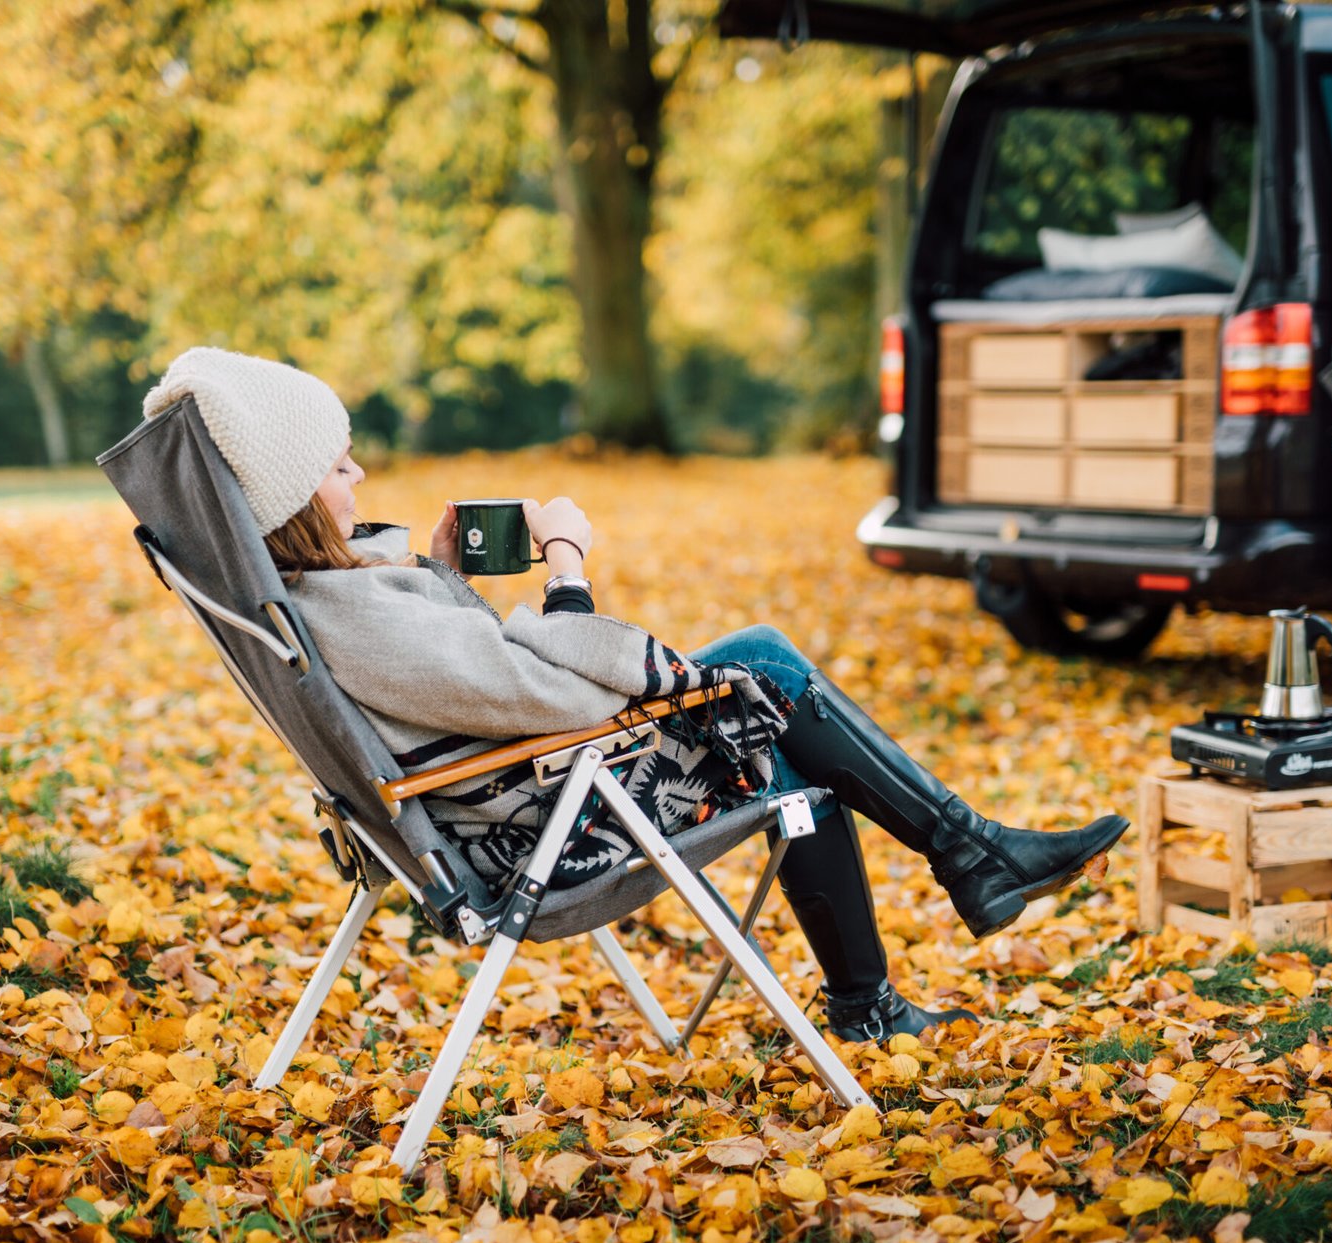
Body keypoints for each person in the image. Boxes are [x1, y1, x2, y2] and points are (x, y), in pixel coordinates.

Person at [143, 349, 1128, 1044]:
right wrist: (567, 563)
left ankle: (917, 936)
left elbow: (460, 677)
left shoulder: (318, 601)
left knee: (768, 720)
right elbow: (556, 698)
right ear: (292, 499)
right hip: (549, 823)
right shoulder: (359, 617)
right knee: (765, 676)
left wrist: (444, 574)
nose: (358, 473)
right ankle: (961, 867)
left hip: (499, 801)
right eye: (338, 465)